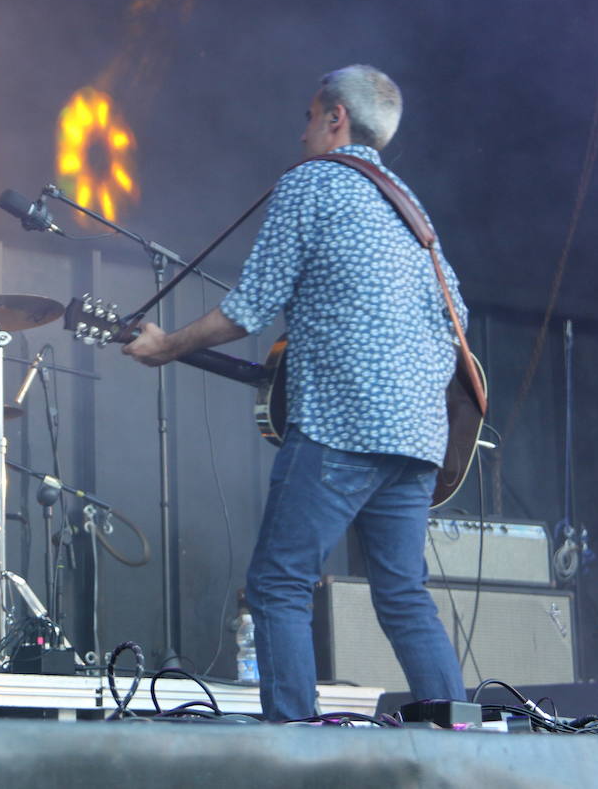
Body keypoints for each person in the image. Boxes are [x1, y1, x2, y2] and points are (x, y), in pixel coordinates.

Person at [121, 65, 467, 721]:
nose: (301, 130)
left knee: (279, 585)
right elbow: (459, 321)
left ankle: (296, 756)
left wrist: (165, 346)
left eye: (310, 116)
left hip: (343, 423)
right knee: (403, 595)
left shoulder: (311, 182)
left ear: (336, 118)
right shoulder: (409, 206)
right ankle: (466, 755)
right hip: (421, 436)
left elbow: (249, 308)